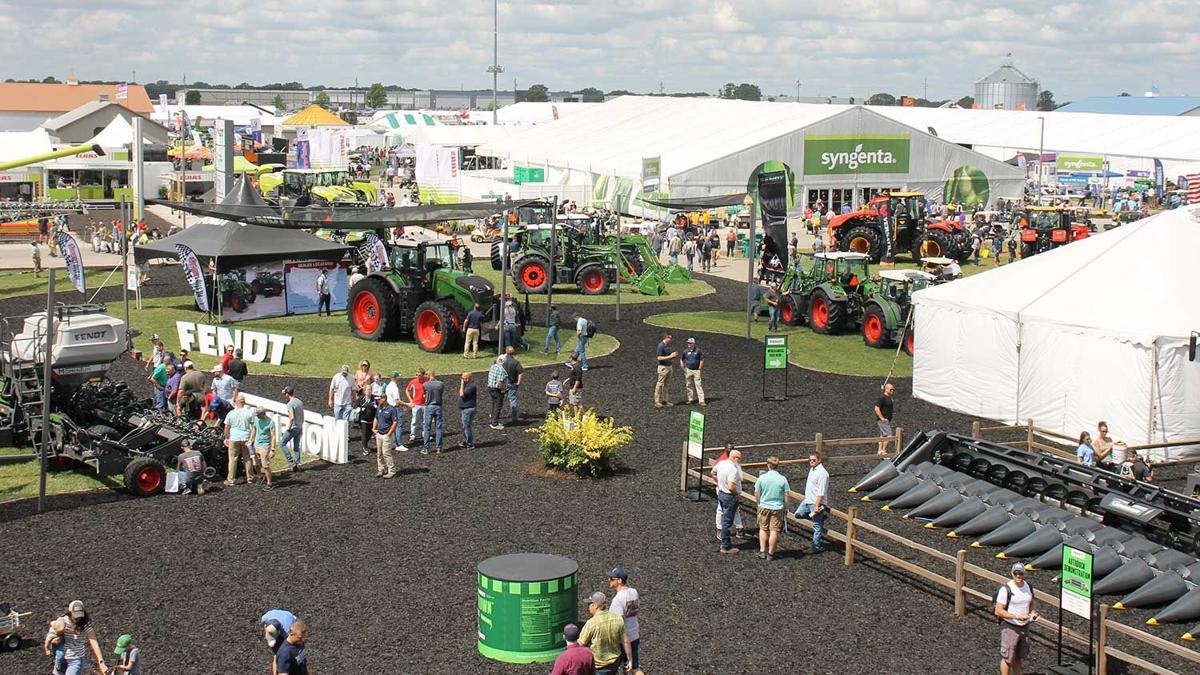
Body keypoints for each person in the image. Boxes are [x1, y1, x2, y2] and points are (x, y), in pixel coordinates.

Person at [995, 562, 1037, 675]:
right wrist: (1017, 616)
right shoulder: (1006, 589)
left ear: (1025, 574)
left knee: (1018, 657)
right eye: (1016, 573)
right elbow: (998, 610)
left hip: (1024, 626)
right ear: (1012, 573)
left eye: (1021, 573)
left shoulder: (1028, 587)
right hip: (1010, 627)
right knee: (1008, 658)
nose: (1018, 576)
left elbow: (1031, 603)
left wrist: (1032, 613)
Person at [579, 592, 630, 675]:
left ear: (595, 606)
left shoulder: (591, 623)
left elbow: (581, 643)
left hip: (599, 666)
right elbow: (626, 641)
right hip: (614, 663)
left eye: (589, 604)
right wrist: (630, 660)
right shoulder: (618, 619)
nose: (588, 607)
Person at [53, 600, 108, 675]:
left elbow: (94, 642)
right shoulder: (63, 620)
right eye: (75, 615)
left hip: (75, 659)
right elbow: (53, 634)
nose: (78, 618)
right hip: (61, 659)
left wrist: (101, 662)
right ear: (70, 612)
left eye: (79, 615)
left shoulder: (84, 624)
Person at [794, 450, 830, 553]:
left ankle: (816, 547)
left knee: (816, 527)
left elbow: (821, 492)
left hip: (815, 502)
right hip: (807, 500)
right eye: (810, 460)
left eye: (813, 460)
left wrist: (817, 506)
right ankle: (821, 517)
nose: (811, 461)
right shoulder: (812, 469)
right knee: (797, 515)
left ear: (819, 460)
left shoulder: (823, 473)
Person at [755, 456, 791, 560]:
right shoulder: (782, 479)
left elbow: (757, 491)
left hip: (764, 505)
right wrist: (786, 507)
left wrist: (758, 502)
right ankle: (771, 553)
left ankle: (762, 551)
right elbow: (787, 495)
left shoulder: (762, 478)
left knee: (763, 528)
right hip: (777, 507)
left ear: (768, 465)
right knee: (774, 530)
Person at [607, 566, 641, 674]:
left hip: (622, 642)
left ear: (620, 581)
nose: (609, 580)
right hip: (635, 635)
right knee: (634, 668)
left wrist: (629, 656)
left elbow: (619, 627)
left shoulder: (617, 600)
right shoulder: (634, 592)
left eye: (612, 579)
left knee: (619, 668)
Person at [223, 394, 257, 487]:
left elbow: (226, 427)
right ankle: (250, 478)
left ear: (236, 402)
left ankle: (231, 480)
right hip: (245, 437)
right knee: (247, 458)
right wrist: (251, 438)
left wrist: (226, 437)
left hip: (234, 437)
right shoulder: (249, 412)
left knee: (233, 459)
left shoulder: (231, 413)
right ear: (244, 402)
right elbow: (254, 427)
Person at [714, 448, 742, 553]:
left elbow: (713, 471)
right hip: (729, 496)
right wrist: (736, 495)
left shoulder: (721, 463)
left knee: (724, 518)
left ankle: (725, 542)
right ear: (735, 458)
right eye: (739, 459)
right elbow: (731, 486)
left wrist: (720, 482)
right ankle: (725, 546)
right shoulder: (733, 469)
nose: (740, 461)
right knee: (727, 521)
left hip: (721, 493)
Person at [279, 387, 305, 472]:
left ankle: (290, 461)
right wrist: (301, 425)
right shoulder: (299, 402)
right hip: (299, 427)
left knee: (282, 443)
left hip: (293, 428)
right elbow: (302, 415)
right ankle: (298, 463)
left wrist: (289, 428)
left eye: (284, 394)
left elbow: (292, 417)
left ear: (287, 394)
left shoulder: (290, 404)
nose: (284, 396)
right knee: (296, 446)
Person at [372, 396, 399, 478]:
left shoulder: (392, 409)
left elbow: (395, 422)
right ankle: (381, 469)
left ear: (384, 399)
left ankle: (392, 471)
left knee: (386, 453)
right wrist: (374, 428)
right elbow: (376, 418)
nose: (378, 401)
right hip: (379, 434)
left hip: (387, 435)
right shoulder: (379, 408)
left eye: (379, 399)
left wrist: (389, 433)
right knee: (379, 453)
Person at [252, 407, 277, 490]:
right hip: (256, 444)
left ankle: (269, 483)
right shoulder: (256, 419)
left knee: (265, 465)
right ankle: (260, 477)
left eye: (259, 415)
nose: (257, 417)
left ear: (263, 414)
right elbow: (254, 429)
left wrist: (272, 449)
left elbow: (273, 436)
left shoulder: (270, 422)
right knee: (255, 464)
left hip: (265, 445)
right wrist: (250, 439)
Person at [421, 370, 444, 454]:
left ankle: (426, 448)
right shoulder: (440, 384)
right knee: (438, 428)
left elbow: (424, 395)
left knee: (427, 428)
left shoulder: (425, 384)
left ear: (428, 375)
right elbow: (441, 393)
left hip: (429, 406)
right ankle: (439, 448)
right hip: (438, 406)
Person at [679, 337, 706, 407]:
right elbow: (681, 359)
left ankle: (701, 400)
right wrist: (682, 365)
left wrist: (700, 367)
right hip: (688, 370)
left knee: (698, 385)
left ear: (694, 344)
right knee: (688, 384)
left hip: (696, 370)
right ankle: (690, 399)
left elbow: (702, 359)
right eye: (688, 343)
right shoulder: (685, 351)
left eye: (690, 343)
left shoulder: (698, 351)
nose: (689, 344)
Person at [654, 334, 677, 408]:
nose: (671, 340)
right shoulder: (660, 346)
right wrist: (670, 356)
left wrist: (673, 356)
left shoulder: (668, 346)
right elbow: (659, 358)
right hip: (663, 367)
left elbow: (668, 356)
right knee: (660, 384)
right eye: (669, 338)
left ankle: (665, 400)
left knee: (666, 385)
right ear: (666, 338)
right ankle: (657, 401)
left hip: (669, 366)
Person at [502, 346, 524, 424]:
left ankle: (495, 414)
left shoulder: (502, 361)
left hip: (503, 383)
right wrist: (519, 382)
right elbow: (520, 373)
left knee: (499, 399)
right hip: (512, 383)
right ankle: (514, 417)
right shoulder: (516, 362)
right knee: (513, 399)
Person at [406, 368, 427, 443]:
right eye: (416, 375)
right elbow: (407, 390)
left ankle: (425, 434)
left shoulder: (426, 381)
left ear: (423, 375)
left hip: (425, 404)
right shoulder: (413, 382)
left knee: (425, 420)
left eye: (419, 375)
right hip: (416, 404)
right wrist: (411, 400)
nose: (417, 376)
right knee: (414, 420)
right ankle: (412, 435)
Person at [487, 355, 509, 430]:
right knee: (498, 406)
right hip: (497, 389)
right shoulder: (501, 369)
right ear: (502, 361)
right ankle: (494, 423)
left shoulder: (493, 366)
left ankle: (493, 421)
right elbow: (500, 381)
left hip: (490, 388)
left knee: (494, 404)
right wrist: (503, 389)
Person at [875, 382, 896, 456]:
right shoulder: (882, 398)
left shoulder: (889, 398)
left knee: (882, 436)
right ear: (886, 389)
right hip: (883, 420)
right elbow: (876, 408)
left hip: (887, 420)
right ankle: (884, 451)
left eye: (893, 389)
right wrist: (882, 418)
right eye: (891, 389)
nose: (892, 391)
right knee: (889, 435)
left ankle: (880, 451)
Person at [458, 372, 477, 450]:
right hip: (465, 409)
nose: (462, 380)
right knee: (465, 426)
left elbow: (461, 394)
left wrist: (462, 384)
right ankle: (467, 441)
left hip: (468, 409)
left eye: (463, 378)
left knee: (466, 427)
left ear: (468, 378)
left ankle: (470, 444)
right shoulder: (468, 385)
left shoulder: (472, 386)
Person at [565, 352, 584, 418]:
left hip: (576, 388)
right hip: (573, 386)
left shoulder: (577, 367)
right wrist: (567, 380)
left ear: (571, 358)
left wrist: (574, 388)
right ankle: (581, 415)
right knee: (576, 402)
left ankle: (577, 416)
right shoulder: (574, 366)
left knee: (576, 403)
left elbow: (578, 379)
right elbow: (573, 376)